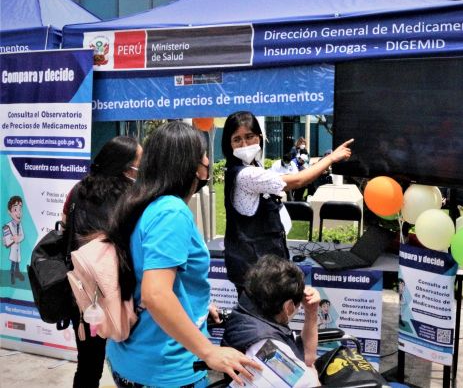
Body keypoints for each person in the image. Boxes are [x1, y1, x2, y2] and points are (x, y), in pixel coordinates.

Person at [106, 121, 259, 388]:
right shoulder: (171, 212)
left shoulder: (141, 202)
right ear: (189, 164)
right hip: (166, 367)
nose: (208, 160)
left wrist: (194, 306)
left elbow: (150, 275)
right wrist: (209, 352)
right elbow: (156, 294)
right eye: (203, 153)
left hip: (131, 356)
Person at [221, 111, 353, 292]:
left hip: (263, 269)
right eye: (237, 139)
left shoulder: (253, 166)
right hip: (256, 275)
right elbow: (298, 181)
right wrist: (330, 158)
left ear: (259, 137)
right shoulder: (246, 174)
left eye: (249, 137)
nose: (244, 144)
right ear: (229, 144)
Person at [60, 135, 141, 388]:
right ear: (126, 166)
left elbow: (64, 229)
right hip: (123, 292)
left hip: (84, 293)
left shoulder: (77, 190)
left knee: (88, 364)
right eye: (140, 161)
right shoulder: (133, 197)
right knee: (132, 361)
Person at [222, 255, 321, 387]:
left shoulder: (246, 311)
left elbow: (306, 357)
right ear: (288, 307)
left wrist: (311, 311)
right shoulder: (268, 348)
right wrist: (313, 375)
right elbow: (311, 378)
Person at [3, 196, 24, 285]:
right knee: (13, 263)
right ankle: (12, 275)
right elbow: (7, 239)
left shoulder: (20, 225)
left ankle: (17, 273)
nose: (18, 212)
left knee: (18, 261)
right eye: (15, 209)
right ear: (9, 212)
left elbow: (22, 236)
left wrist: (18, 238)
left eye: (20, 209)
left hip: (18, 247)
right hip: (13, 248)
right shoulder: (8, 226)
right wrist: (8, 240)